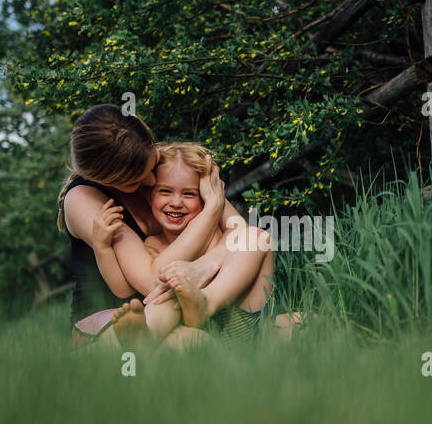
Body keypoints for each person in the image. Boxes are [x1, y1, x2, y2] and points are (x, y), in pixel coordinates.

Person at [57, 104, 277, 347]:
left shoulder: (159, 163)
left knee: (198, 341)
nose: (151, 181)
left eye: (152, 166)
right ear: (108, 179)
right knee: (191, 342)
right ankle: (120, 349)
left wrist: (204, 266)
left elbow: (241, 233)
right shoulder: (83, 199)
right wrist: (213, 208)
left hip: (171, 312)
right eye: (136, 181)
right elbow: (154, 280)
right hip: (106, 326)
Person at [98, 141, 296, 343]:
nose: (176, 202)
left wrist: (216, 202)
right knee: (165, 295)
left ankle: (206, 303)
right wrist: (102, 248)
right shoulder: (151, 245)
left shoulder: (218, 233)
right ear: (150, 197)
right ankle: (144, 337)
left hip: (243, 323)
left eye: (189, 194)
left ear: (206, 196)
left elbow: (241, 231)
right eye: (165, 191)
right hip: (204, 335)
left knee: (257, 237)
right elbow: (122, 288)